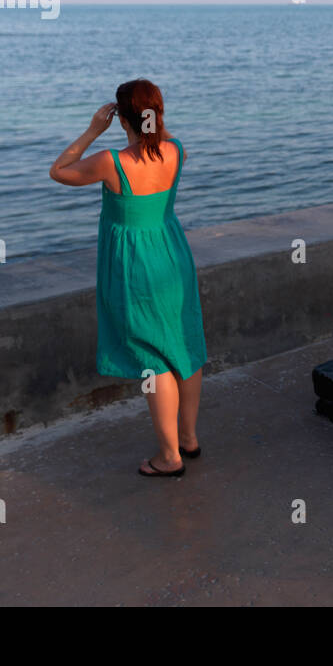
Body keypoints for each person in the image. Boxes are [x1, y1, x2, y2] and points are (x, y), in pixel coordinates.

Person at [49, 79, 207, 477]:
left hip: (135, 265)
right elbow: (158, 134)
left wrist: (92, 130)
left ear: (123, 118)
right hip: (173, 254)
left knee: (152, 357)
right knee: (183, 344)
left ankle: (169, 457)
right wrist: (151, 118)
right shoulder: (176, 151)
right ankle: (187, 438)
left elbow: (58, 171)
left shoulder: (111, 161)